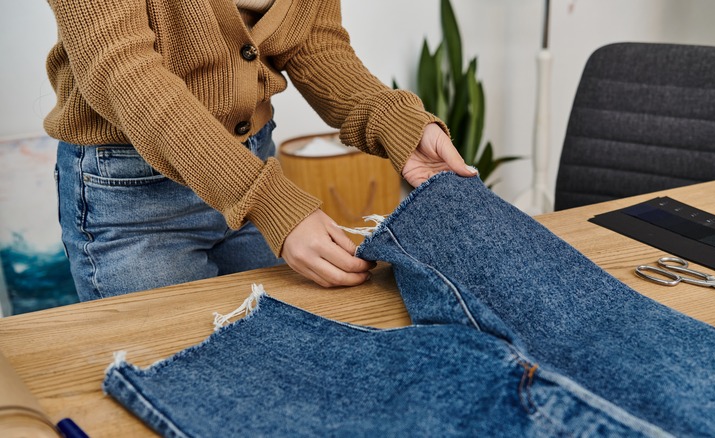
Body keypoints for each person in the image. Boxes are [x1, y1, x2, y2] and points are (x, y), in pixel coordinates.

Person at [44, 0, 476, 301]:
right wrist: (268, 200)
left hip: (253, 160)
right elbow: (122, 73)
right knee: (178, 384)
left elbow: (312, 41)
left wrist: (396, 124)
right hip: (133, 194)